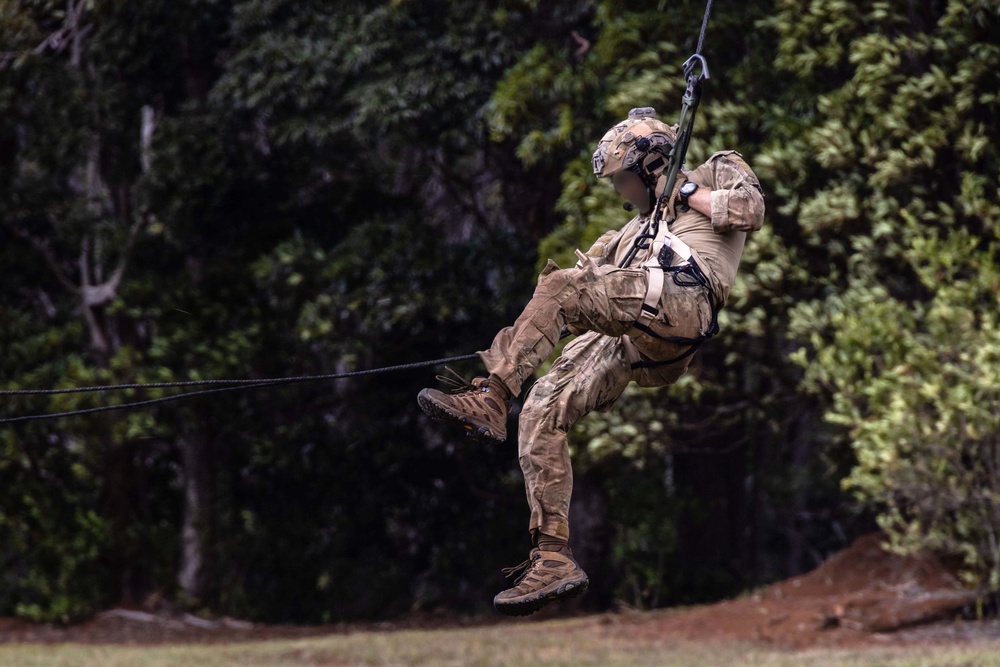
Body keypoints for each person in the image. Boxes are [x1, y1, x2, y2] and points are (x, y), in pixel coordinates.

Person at [417, 107, 765, 616]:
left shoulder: (714, 172)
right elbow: (577, 295)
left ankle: (493, 396)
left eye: (624, 179)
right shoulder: (630, 232)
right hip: (638, 340)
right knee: (540, 408)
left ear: (651, 167)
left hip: (685, 301)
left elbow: (749, 210)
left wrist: (682, 192)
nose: (620, 191)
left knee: (562, 292)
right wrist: (533, 334)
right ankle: (552, 556)